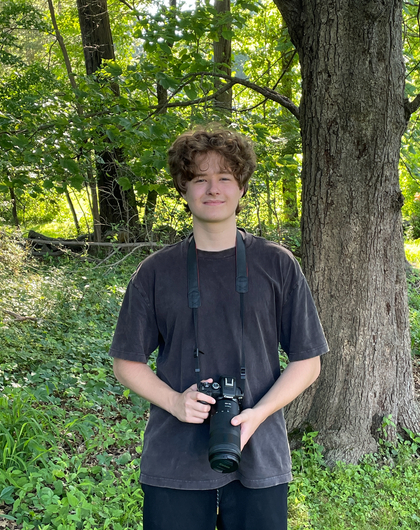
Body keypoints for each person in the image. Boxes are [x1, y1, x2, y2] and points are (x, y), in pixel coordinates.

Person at [109, 128, 328, 530]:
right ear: (183, 189)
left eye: (225, 177)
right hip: (173, 459)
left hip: (259, 456)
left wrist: (257, 414)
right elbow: (127, 361)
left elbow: (307, 361)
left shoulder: (277, 264)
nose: (213, 189)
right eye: (199, 179)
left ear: (241, 187)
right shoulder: (155, 272)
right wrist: (175, 402)